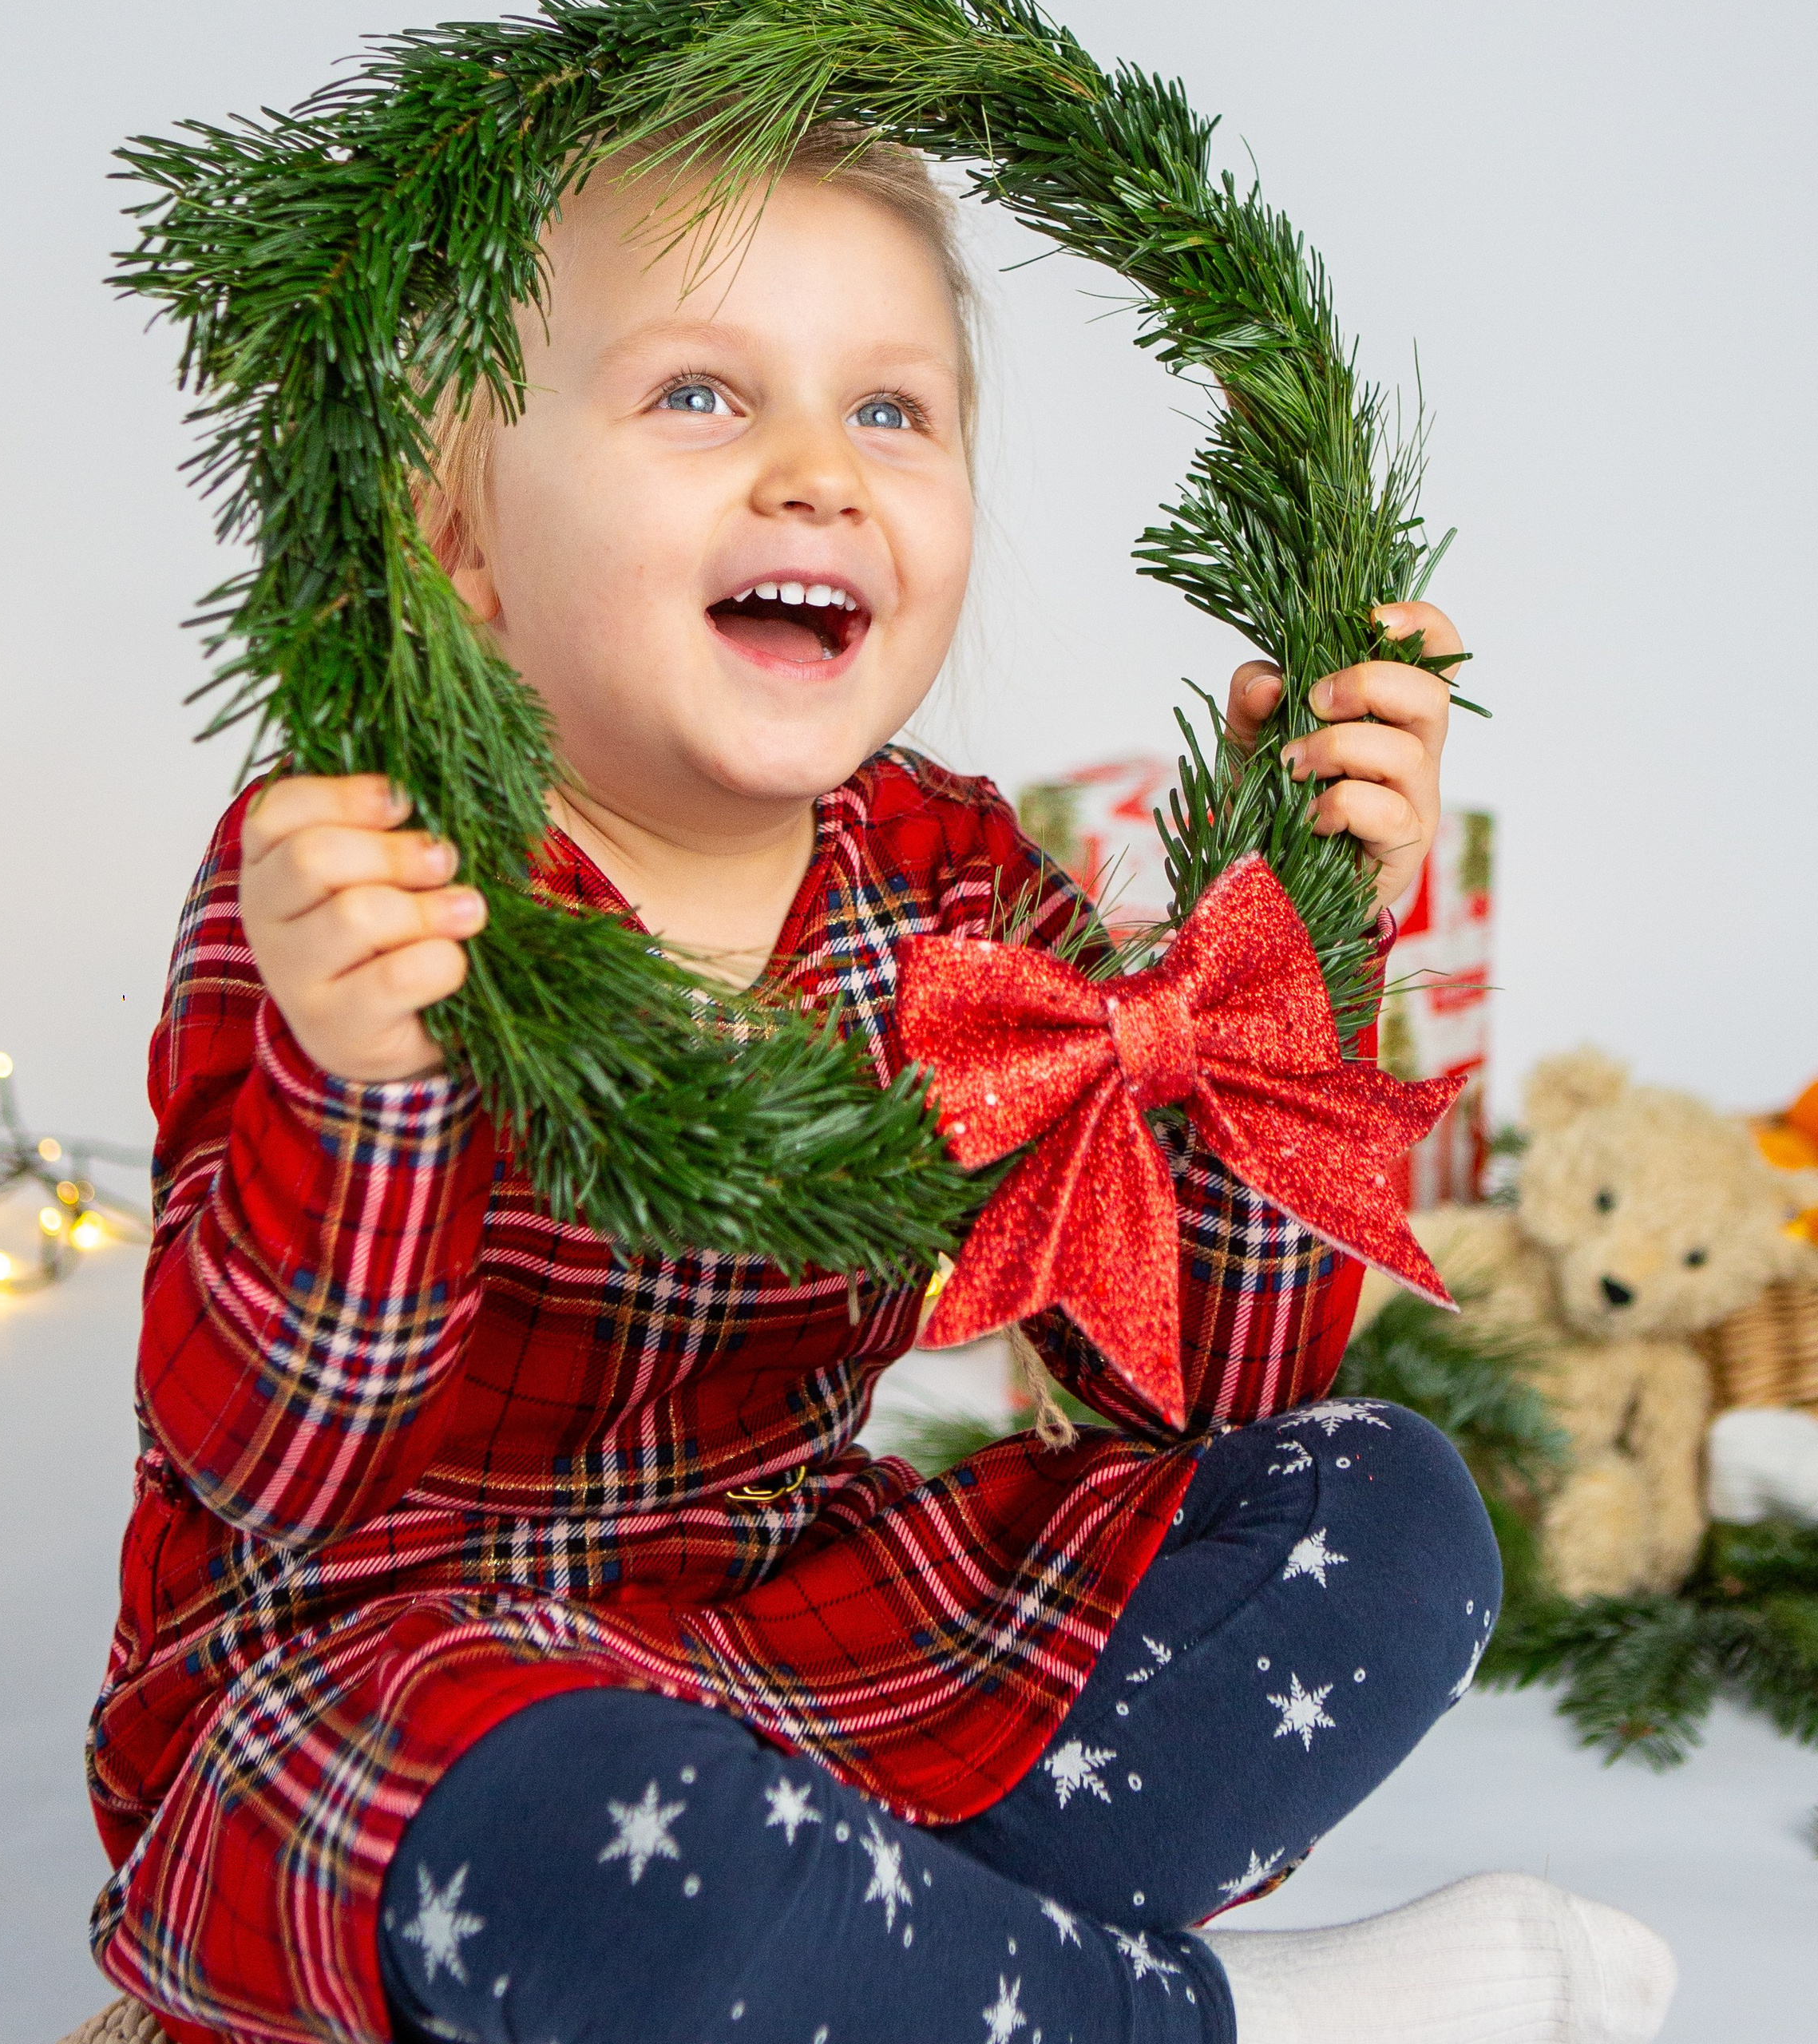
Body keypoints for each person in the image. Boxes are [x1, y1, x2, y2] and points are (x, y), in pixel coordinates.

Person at [87, 125, 1677, 2044]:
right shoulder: (363, 873)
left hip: (801, 1636)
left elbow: (1192, 1387)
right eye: (696, 392)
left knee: (1381, 1512)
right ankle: (1203, 2022)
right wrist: (364, 1086)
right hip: (392, 1695)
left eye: (890, 411)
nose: (817, 472)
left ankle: (865, 1962)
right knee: (577, 1828)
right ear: (463, 540)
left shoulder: (943, 880)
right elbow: (266, 1460)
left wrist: (1296, 936)